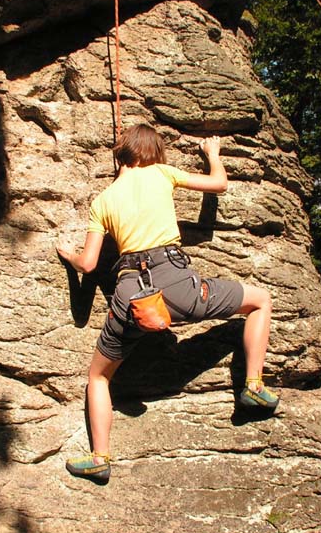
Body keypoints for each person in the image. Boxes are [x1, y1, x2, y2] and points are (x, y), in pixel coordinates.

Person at [57, 124, 278, 482]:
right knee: (260, 301)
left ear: (121, 155)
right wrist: (213, 156)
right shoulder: (162, 173)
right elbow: (219, 184)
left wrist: (70, 256)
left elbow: (89, 264)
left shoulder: (102, 201)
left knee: (98, 377)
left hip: (131, 298)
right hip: (180, 286)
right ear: (152, 154)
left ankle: (100, 457)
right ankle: (253, 386)